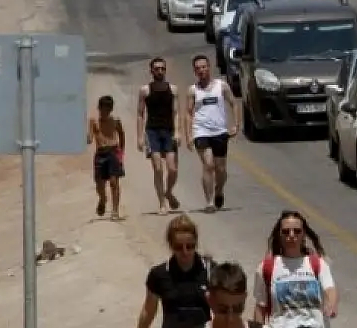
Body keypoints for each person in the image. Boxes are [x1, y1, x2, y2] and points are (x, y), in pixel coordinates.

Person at [184, 54, 241, 213]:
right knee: (208, 165)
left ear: (209, 67)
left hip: (220, 131)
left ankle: (219, 190)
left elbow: (234, 104)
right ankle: (209, 202)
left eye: (204, 67)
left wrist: (236, 125)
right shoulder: (193, 90)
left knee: (220, 169)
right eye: (198, 68)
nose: (201, 70)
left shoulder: (221, 86)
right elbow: (188, 113)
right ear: (195, 71)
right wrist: (189, 135)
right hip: (201, 131)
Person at [137, 57, 182, 215]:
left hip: (169, 131)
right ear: (151, 71)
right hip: (152, 131)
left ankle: (168, 192)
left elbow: (176, 112)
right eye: (157, 68)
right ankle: (162, 203)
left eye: (162, 68)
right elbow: (140, 114)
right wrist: (140, 137)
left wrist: (177, 131)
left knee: (172, 168)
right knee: (157, 168)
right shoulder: (145, 90)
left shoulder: (173, 89)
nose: (160, 71)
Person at [87, 95, 126, 219]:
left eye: (109, 108)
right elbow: (90, 138)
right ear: (99, 108)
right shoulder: (94, 121)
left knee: (114, 182)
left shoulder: (116, 121)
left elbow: (121, 134)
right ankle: (103, 199)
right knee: (99, 184)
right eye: (104, 108)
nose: (106, 111)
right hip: (100, 154)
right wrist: (87, 137)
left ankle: (115, 210)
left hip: (113, 152)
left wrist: (121, 151)